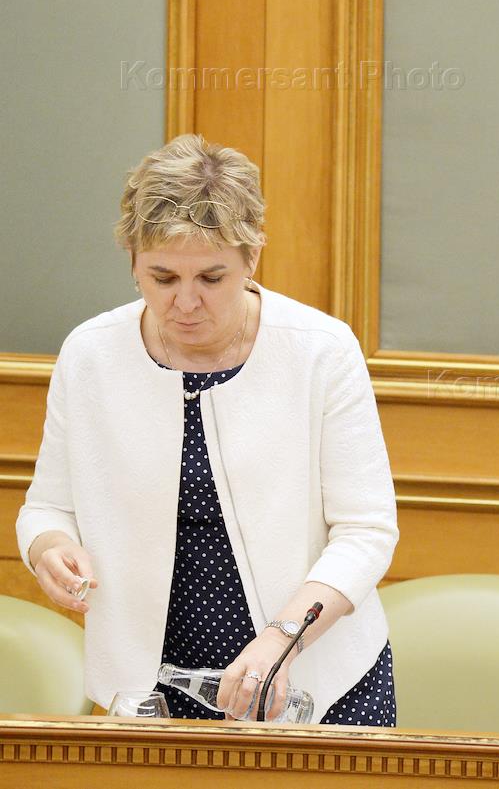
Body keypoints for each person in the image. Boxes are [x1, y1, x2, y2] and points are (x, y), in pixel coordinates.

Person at [16, 134, 399, 724]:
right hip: (150, 689)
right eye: (163, 277)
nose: (186, 302)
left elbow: (366, 531)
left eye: (212, 278)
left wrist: (282, 639)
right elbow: (47, 508)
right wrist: (50, 548)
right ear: (133, 261)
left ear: (252, 258)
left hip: (315, 679)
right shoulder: (91, 354)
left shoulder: (320, 351)